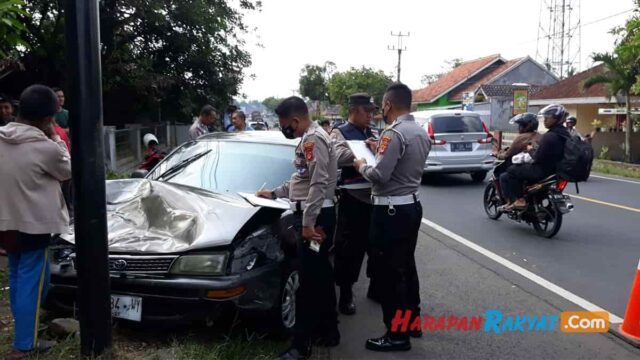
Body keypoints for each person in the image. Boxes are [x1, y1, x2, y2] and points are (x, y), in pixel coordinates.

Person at [256, 96, 339, 360]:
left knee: (308, 282)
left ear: (295, 120)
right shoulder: (310, 138)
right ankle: (329, 331)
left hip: (316, 220)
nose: (284, 130)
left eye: (284, 125)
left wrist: (307, 223)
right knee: (322, 275)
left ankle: (300, 346)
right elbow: (302, 180)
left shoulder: (313, 139)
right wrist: (276, 192)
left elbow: (318, 183)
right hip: (318, 215)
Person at [353, 83, 431, 352]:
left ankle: (397, 335)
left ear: (387, 104)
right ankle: (412, 323)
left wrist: (362, 165)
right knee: (406, 268)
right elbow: (402, 165)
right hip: (410, 206)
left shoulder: (393, 133)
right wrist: (380, 151)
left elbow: (380, 175)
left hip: (390, 211)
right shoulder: (419, 131)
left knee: (389, 274)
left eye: (381, 107)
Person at [0, 85, 72, 359]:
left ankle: (24, 334)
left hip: (6, 223)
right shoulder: (45, 146)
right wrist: (54, 135)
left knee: (18, 277)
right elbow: (66, 170)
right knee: (33, 281)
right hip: (35, 225)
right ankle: (24, 345)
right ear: (47, 119)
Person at [330, 93, 379, 316]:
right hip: (353, 197)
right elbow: (338, 156)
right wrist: (363, 149)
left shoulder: (373, 132)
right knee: (349, 249)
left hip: (376, 196)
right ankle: (346, 292)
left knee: (376, 247)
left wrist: (377, 146)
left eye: (372, 111)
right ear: (355, 110)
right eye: (367, 111)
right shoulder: (339, 132)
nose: (371, 115)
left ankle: (375, 286)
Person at [499, 104, 570, 210]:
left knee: (511, 170)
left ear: (556, 118)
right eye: (544, 117)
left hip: (542, 170)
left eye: (547, 117)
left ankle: (520, 200)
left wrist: (530, 150)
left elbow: (537, 157)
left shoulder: (549, 136)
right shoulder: (566, 134)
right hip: (557, 170)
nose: (545, 120)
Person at [492, 112, 542, 178]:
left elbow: (508, 155)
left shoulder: (521, 137)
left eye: (521, 125)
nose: (519, 128)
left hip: (527, 167)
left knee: (503, 176)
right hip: (537, 167)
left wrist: (498, 155)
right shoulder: (539, 135)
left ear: (527, 126)